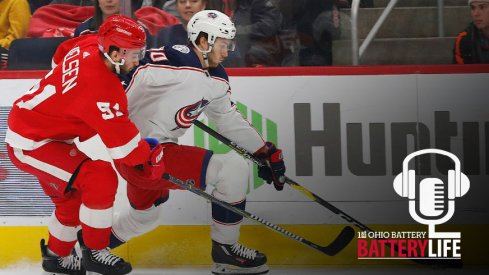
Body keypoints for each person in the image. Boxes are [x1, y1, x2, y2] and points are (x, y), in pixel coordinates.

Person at [112, 10, 286, 275]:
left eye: (230, 44)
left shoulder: (216, 78)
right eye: (223, 44)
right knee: (232, 169)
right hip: (143, 154)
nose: (227, 51)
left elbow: (227, 118)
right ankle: (226, 250)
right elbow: (126, 73)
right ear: (203, 40)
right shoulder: (173, 60)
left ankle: (81, 249)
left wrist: (263, 151)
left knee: (144, 217)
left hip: (153, 159)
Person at [5, 14, 166, 275]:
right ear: (114, 52)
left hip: (37, 128)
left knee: (71, 199)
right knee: (99, 176)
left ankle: (56, 257)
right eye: (133, 54)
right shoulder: (101, 88)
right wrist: (154, 157)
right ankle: (96, 252)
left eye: (140, 52)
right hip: (32, 142)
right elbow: (128, 152)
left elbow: (61, 54)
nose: (138, 60)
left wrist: (71, 92)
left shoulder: (90, 44)